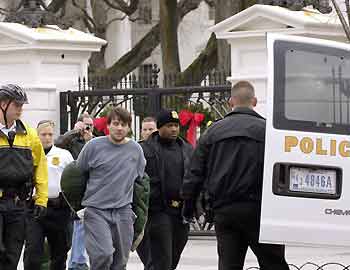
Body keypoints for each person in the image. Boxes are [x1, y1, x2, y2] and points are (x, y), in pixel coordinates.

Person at [182, 81, 290, 270]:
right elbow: (284, 171)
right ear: (254, 101)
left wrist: (188, 208)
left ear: (231, 102)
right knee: (274, 264)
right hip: (261, 212)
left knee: (229, 265)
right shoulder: (269, 132)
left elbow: (194, 174)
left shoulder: (212, 132)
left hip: (225, 212)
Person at [77, 107, 146, 270]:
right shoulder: (93, 146)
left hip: (123, 212)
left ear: (129, 127)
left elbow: (140, 179)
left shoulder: (136, 150)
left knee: (120, 261)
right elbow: (78, 174)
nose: (119, 128)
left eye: (124, 124)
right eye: (115, 123)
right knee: (103, 254)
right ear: (108, 125)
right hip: (96, 211)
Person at [0, 84, 48, 270]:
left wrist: (41, 200)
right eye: (17, 105)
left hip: (18, 204)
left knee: (12, 256)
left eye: (22, 105)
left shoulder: (30, 135)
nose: (21, 109)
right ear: (3, 104)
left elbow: (40, 168)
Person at [140, 109, 193, 270]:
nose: (174, 129)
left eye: (176, 125)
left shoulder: (187, 149)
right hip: (158, 212)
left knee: (172, 261)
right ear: (159, 128)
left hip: (181, 213)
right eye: (169, 125)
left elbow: (196, 176)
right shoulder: (145, 149)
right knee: (161, 262)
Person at [24, 120, 74, 270]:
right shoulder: (28, 154)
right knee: (33, 253)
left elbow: (73, 179)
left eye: (50, 134)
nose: (47, 137)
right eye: (43, 134)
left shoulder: (64, 155)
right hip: (35, 208)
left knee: (59, 255)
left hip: (58, 209)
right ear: (37, 135)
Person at [55, 112, 93, 270]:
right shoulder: (71, 141)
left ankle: (78, 262)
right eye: (86, 125)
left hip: (90, 191)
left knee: (82, 229)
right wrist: (74, 132)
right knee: (78, 227)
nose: (88, 128)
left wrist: (89, 140)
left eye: (91, 125)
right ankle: (78, 263)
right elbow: (58, 144)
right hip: (74, 193)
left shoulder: (94, 141)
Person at [136, 116, 157, 270]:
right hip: (139, 207)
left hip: (158, 208)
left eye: (151, 129)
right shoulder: (135, 149)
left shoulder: (162, 148)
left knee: (155, 257)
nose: (148, 132)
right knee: (143, 250)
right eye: (145, 129)